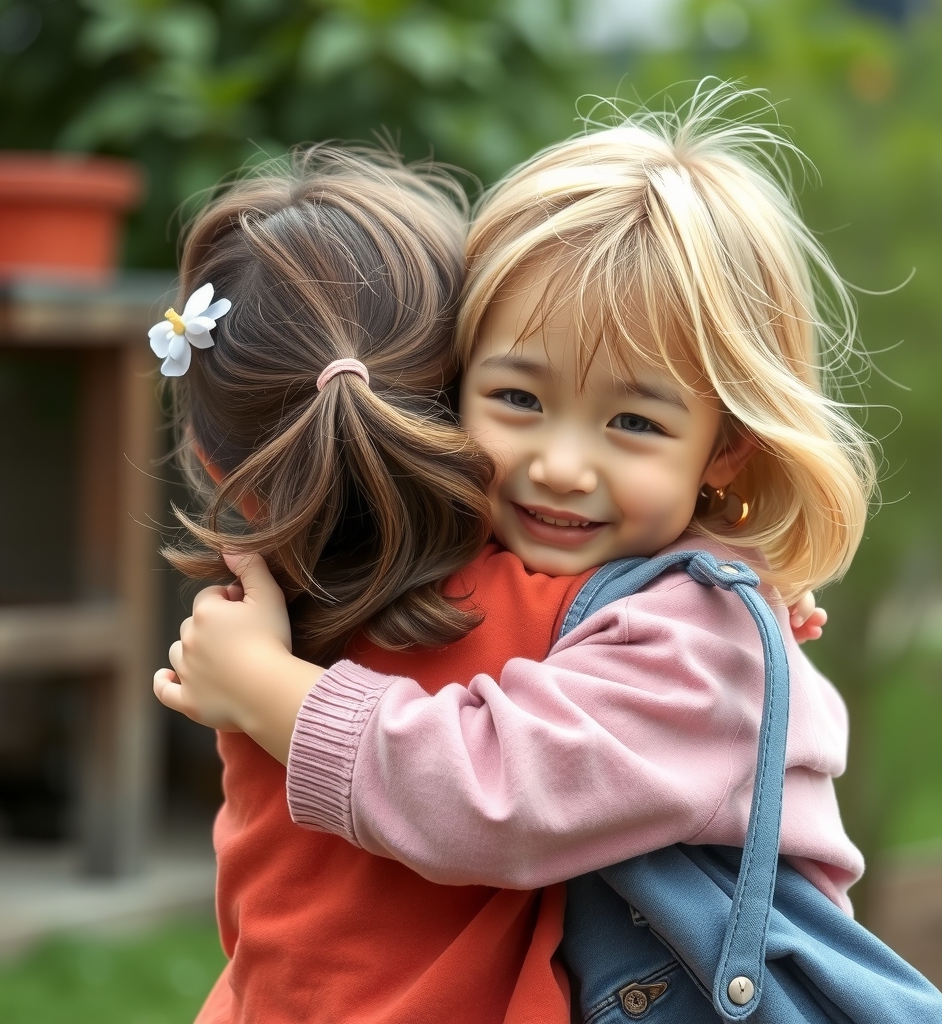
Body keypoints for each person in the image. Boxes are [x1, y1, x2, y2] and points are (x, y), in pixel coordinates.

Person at [157, 84, 866, 1023]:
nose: (563, 466)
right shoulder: (496, 571)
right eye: (519, 401)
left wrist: (269, 690)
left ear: (726, 446)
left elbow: (494, 790)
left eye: (634, 422)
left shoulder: (707, 645)